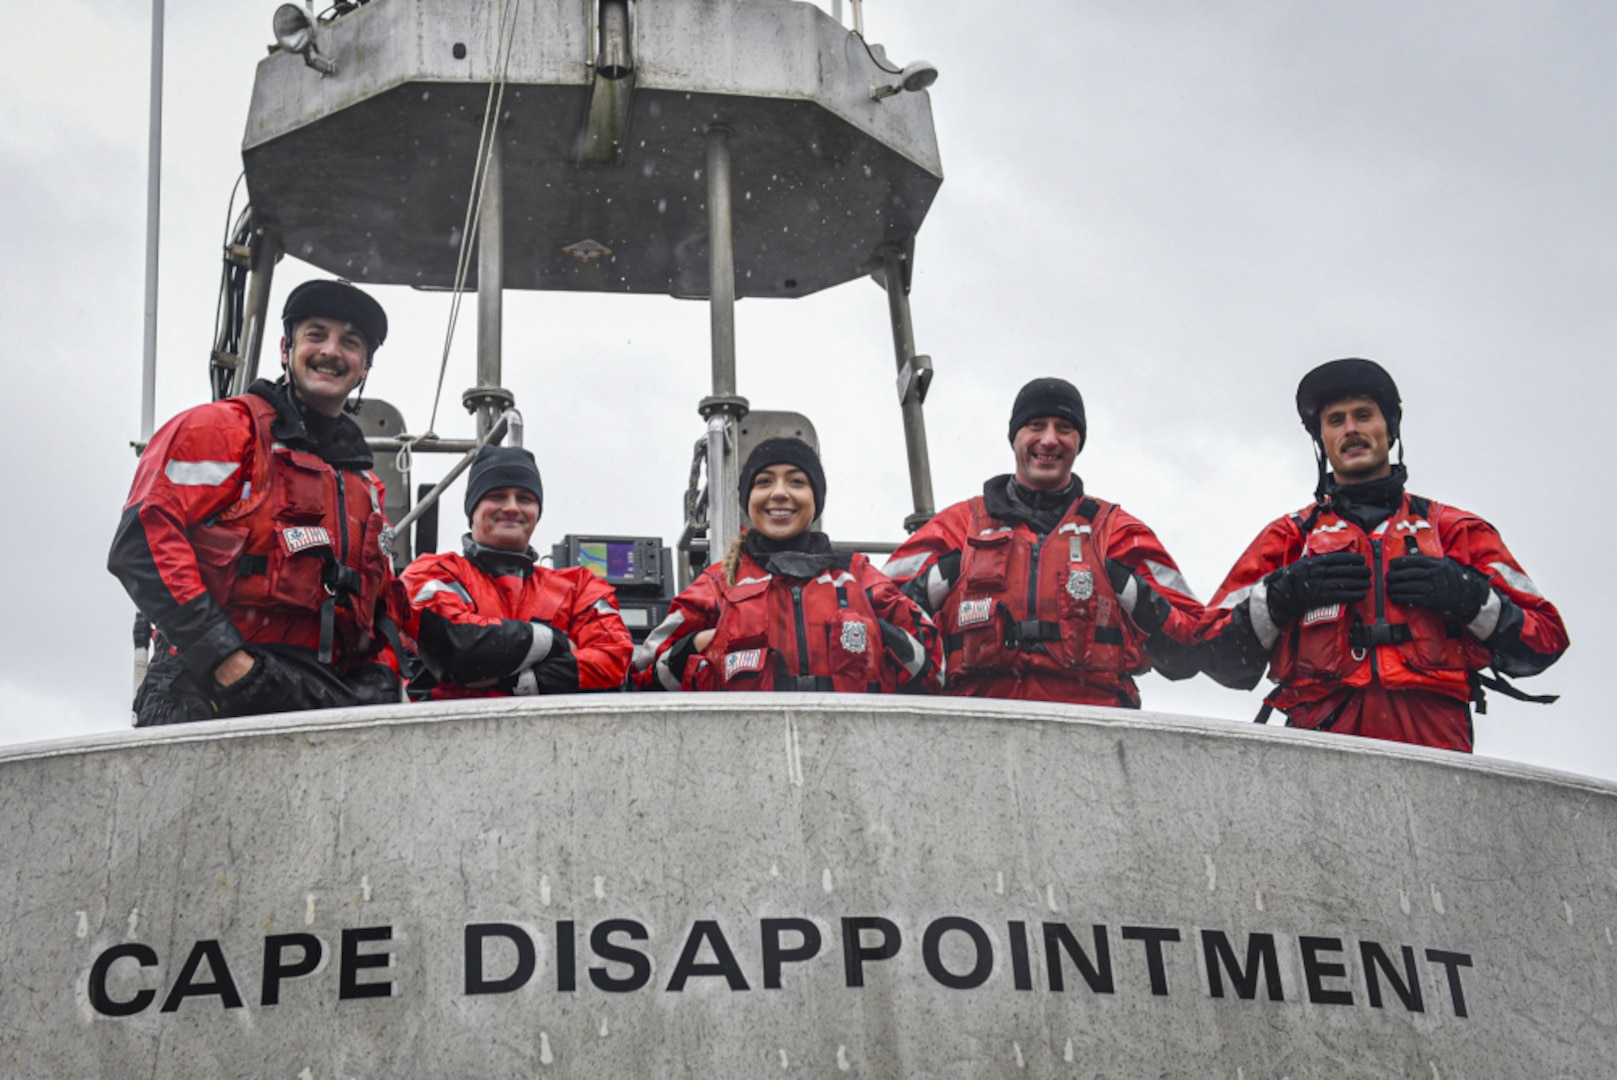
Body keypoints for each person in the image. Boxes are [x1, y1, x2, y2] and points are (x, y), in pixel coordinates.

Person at [1197, 357, 1568, 752]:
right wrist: (1279, 596)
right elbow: (1212, 652)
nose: (1351, 429)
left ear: (1389, 429)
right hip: (1320, 754)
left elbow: (1545, 639)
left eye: (1363, 415)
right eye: (1336, 420)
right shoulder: (1289, 538)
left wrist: (1470, 596)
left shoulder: (1456, 530)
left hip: (1435, 753)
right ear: (1322, 439)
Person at [109, 279, 404, 725]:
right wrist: (227, 662)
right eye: (316, 334)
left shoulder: (367, 488)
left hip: (320, 702)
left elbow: (382, 606)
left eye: (351, 342)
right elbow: (143, 545)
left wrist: (381, 677)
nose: (331, 351)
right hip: (206, 689)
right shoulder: (220, 432)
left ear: (364, 368)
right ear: (286, 349)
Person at [882, 377, 1203, 707]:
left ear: (1079, 441)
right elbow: (872, 617)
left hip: (1096, 738)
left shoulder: (1118, 533)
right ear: (1015, 437)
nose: (1049, 440)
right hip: (975, 735)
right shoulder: (957, 528)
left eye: (1064, 428)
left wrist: (1133, 593)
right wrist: (934, 584)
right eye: (1036, 425)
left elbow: (1194, 646)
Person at [635, 438, 941, 693]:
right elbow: (642, 676)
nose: (779, 492)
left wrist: (879, 637)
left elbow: (936, 670)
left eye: (796, 481)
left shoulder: (858, 577)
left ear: (814, 498)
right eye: (764, 481)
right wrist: (698, 644)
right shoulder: (717, 584)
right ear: (748, 498)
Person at [400, 445, 633, 697]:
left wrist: (517, 682)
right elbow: (455, 647)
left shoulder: (579, 587)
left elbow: (614, 660)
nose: (511, 507)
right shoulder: (430, 573)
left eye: (524, 498)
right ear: (472, 508)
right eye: (497, 496)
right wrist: (557, 642)